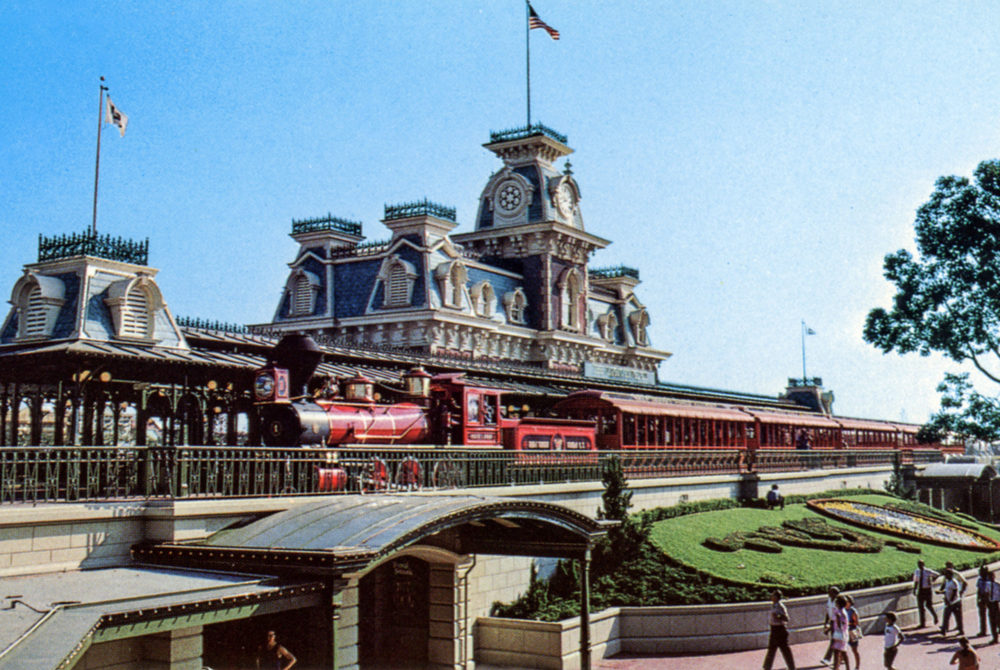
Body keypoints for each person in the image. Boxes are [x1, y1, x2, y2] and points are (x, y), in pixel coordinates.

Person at [763, 589, 796, 670]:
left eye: (773, 595)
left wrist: (778, 616)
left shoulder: (781, 606)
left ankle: (791, 666)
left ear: (777, 597)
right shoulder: (773, 605)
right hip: (773, 629)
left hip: (780, 630)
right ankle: (767, 667)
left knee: (784, 649)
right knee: (771, 649)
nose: (771, 597)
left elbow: (786, 618)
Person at [912, 559, 940, 628]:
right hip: (920, 590)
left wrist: (932, 580)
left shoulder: (927, 571)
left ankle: (935, 616)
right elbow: (916, 581)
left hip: (927, 590)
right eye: (918, 564)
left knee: (929, 605)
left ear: (923, 564)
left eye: (921, 564)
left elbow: (937, 574)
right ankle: (922, 623)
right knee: (921, 607)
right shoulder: (917, 571)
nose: (920, 565)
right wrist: (914, 589)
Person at [941, 568, 965, 637]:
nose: (945, 576)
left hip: (955, 602)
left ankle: (961, 630)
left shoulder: (954, 582)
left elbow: (955, 592)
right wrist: (946, 599)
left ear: (950, 575)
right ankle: (943, 630)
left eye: (947, 574)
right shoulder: (947, 581)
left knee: (958, 617)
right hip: (949, 602)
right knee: (946, 616)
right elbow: (947, 591)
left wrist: (950, 601)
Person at [821, 586, 841, 666]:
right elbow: (828, 612)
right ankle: (841, 658)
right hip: (832, 622)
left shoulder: (838, 602)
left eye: (830, 592)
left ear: (834, 594)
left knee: (834, 640)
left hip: (837, 623)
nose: (828, 593)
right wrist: (826, 623)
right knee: (836, 641)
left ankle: (827, 658)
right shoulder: (829, 600)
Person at [830, 595, 852, 670]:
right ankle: (848, 668)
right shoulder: (842, 611)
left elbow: (839, 625)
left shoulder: (839, 612)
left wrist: (838, 618)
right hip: (843, 634)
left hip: (839, 635)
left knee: (836, 653)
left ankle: (836, 668)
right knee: (843, 652)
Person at [844, 594, 862, 670]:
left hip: (852, 631)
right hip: (845, 631)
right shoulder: (843, 609)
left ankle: (857, 666)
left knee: (854, 650)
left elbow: (856, 623)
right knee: (843, 650)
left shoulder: (853, 611)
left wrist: (848, 623)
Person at [976, 566, 990, 637]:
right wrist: (978, 599)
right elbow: (978, 590)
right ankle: (983, 631)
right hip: (982, 598)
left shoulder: (990, 580)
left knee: (993, 615)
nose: (980, 573)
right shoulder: (979, 580)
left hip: (989, 599)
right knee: (982, 616)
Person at [988, 571, 1000, 644]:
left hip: (997, 603)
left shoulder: (997, 584)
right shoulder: (987, 585)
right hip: (991, 604)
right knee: (992, 622)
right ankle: (995, 638)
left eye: (991, 576)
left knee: (998, 620)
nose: (990, 578)